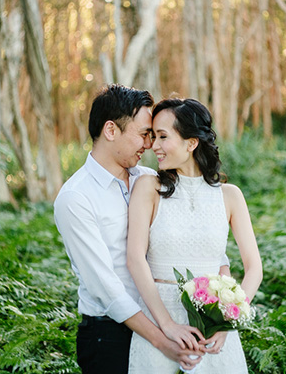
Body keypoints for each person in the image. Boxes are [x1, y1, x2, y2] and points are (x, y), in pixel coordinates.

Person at [54, 85, 205, 374]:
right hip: (109, 336)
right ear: (111, 131)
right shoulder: (76, 198)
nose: (149, 144)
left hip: (165, 321)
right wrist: (163, 340)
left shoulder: (148, 180)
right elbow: (105, 289)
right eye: (143, 134)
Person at [127, 98, 263, 373]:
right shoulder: (148, 188)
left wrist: (227, 323)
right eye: (153, 136)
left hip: (214, 328)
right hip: (159, 319)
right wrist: (166, 325)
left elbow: (254, 268)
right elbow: (135, 258)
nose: (154, 146)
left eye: (163, 137)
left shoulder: (230, 196)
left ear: (191, 143)